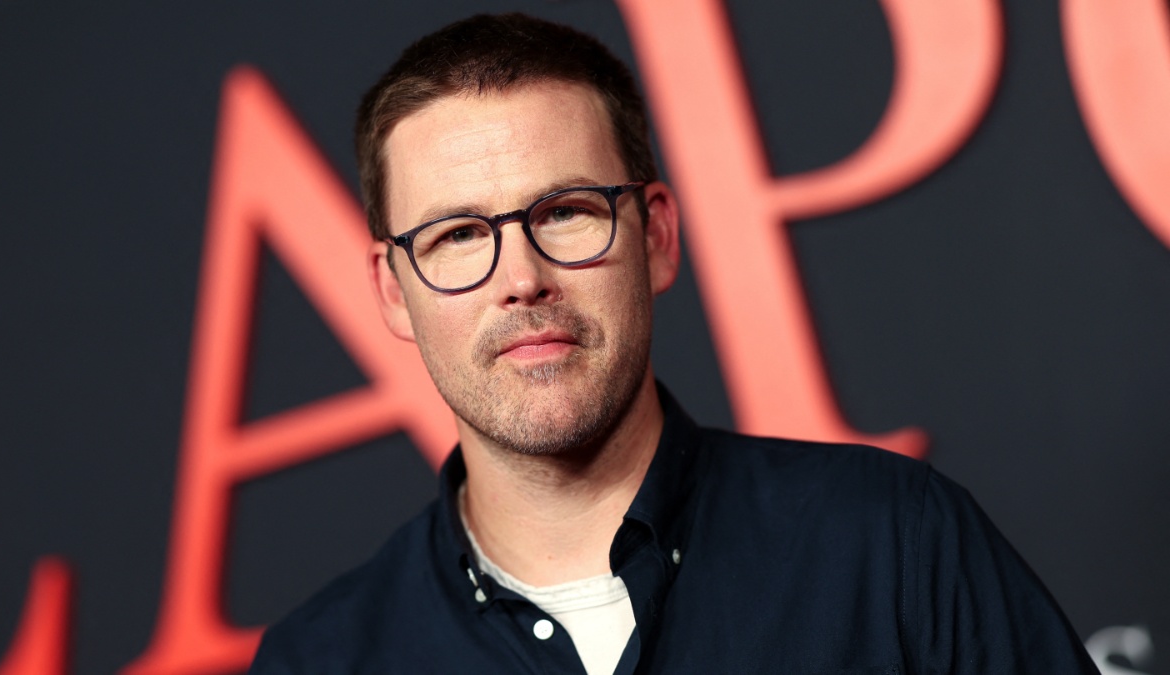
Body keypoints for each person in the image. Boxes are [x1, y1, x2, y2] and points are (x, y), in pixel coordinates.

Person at [250, 13, 1099, 674]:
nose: (522, 278)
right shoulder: (317, 660)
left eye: (566, 212)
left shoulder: (894, 543)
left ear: (656, 235)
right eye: (459, 235)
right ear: (391, 290)